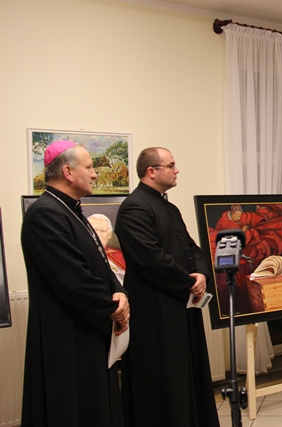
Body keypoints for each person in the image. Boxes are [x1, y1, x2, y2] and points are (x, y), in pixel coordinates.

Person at [20, 140, 129, 427]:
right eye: (90, 167)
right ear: (68, 172)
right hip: (66, 336)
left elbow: (101, 263)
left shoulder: (73, 211)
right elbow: (72, 279)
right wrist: (112, 309)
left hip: (88, 327)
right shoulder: (45, 214)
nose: (95, 174)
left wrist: (119, 292)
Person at [115, 147, 219, 427]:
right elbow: (150, 258)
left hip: (181, 303)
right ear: (152, 171)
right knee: (164, 376)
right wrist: (189, 282)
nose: (177, 170)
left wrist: (202, 274)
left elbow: (192, 248)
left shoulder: (170, 207)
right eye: (171, 165)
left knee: (187, 371)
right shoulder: (135, 207)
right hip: (155, 309)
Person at [87, 213, 126, 284]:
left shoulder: (120, 255)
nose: (98, 235)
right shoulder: (78, 253)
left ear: (109, 234)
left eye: (102, 231)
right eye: (94, 230)